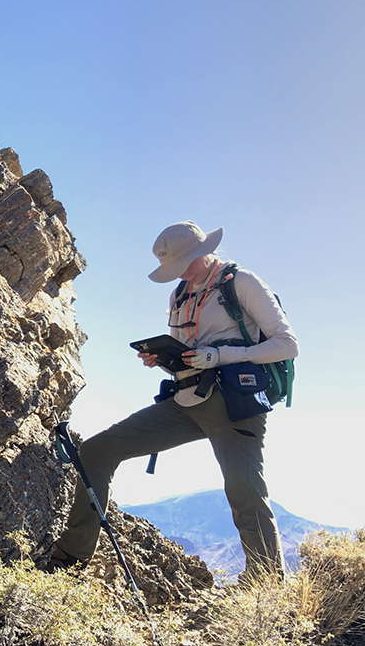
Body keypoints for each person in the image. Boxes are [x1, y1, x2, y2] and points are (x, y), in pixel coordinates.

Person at [50, 221, 299, 581]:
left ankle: (266, 584)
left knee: (245, 490)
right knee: (96, 451)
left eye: (184, 264)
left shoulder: (241, 282)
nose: (181, 273)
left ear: (203, 252)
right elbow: (189, 354)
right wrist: (163, 360)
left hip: (236, 405)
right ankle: (68, 561)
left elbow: (287, 344)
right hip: (186, 400)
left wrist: (218, 357)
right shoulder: (179, 294)